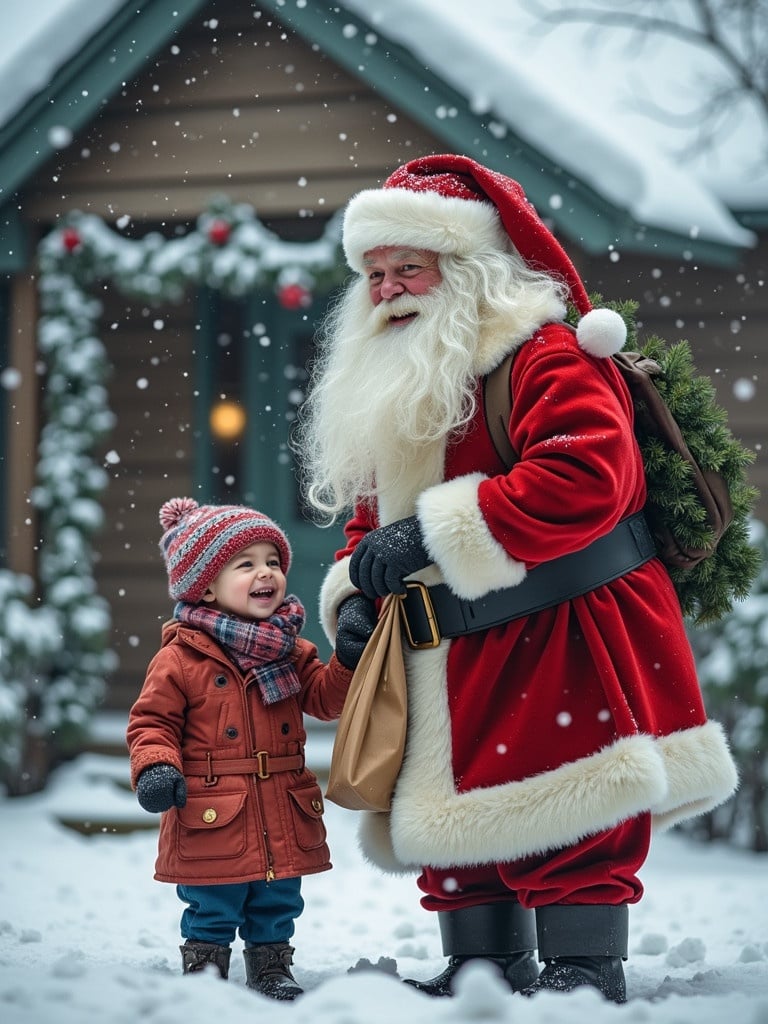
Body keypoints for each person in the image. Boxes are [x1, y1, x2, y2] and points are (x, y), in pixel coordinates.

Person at [296, 154, 739, 1003]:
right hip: (449, 642)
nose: (388, 287)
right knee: (461, 811)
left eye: (408, 267)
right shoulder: (397, 375)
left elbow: (586, 477)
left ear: (463, 267)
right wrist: (356, 594)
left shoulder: (544, 353)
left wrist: (432, 528)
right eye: (375, 272)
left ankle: (582, 970)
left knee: (573, 800)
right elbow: (371, 518)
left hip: (563, 624)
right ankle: (482, 967)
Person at [126, 498, 364, 1000]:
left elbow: (323, 700)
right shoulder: (181, 657)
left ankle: (271, 962)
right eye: (247, 563)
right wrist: (154, 766)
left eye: (273, 562)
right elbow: (152, 721)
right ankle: (205, 961)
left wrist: (348, 658)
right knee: (213, 893)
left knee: (277, 895)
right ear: (206, 586)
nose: (267, 574)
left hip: (280, 797)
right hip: (214, 804)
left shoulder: (291, 648)